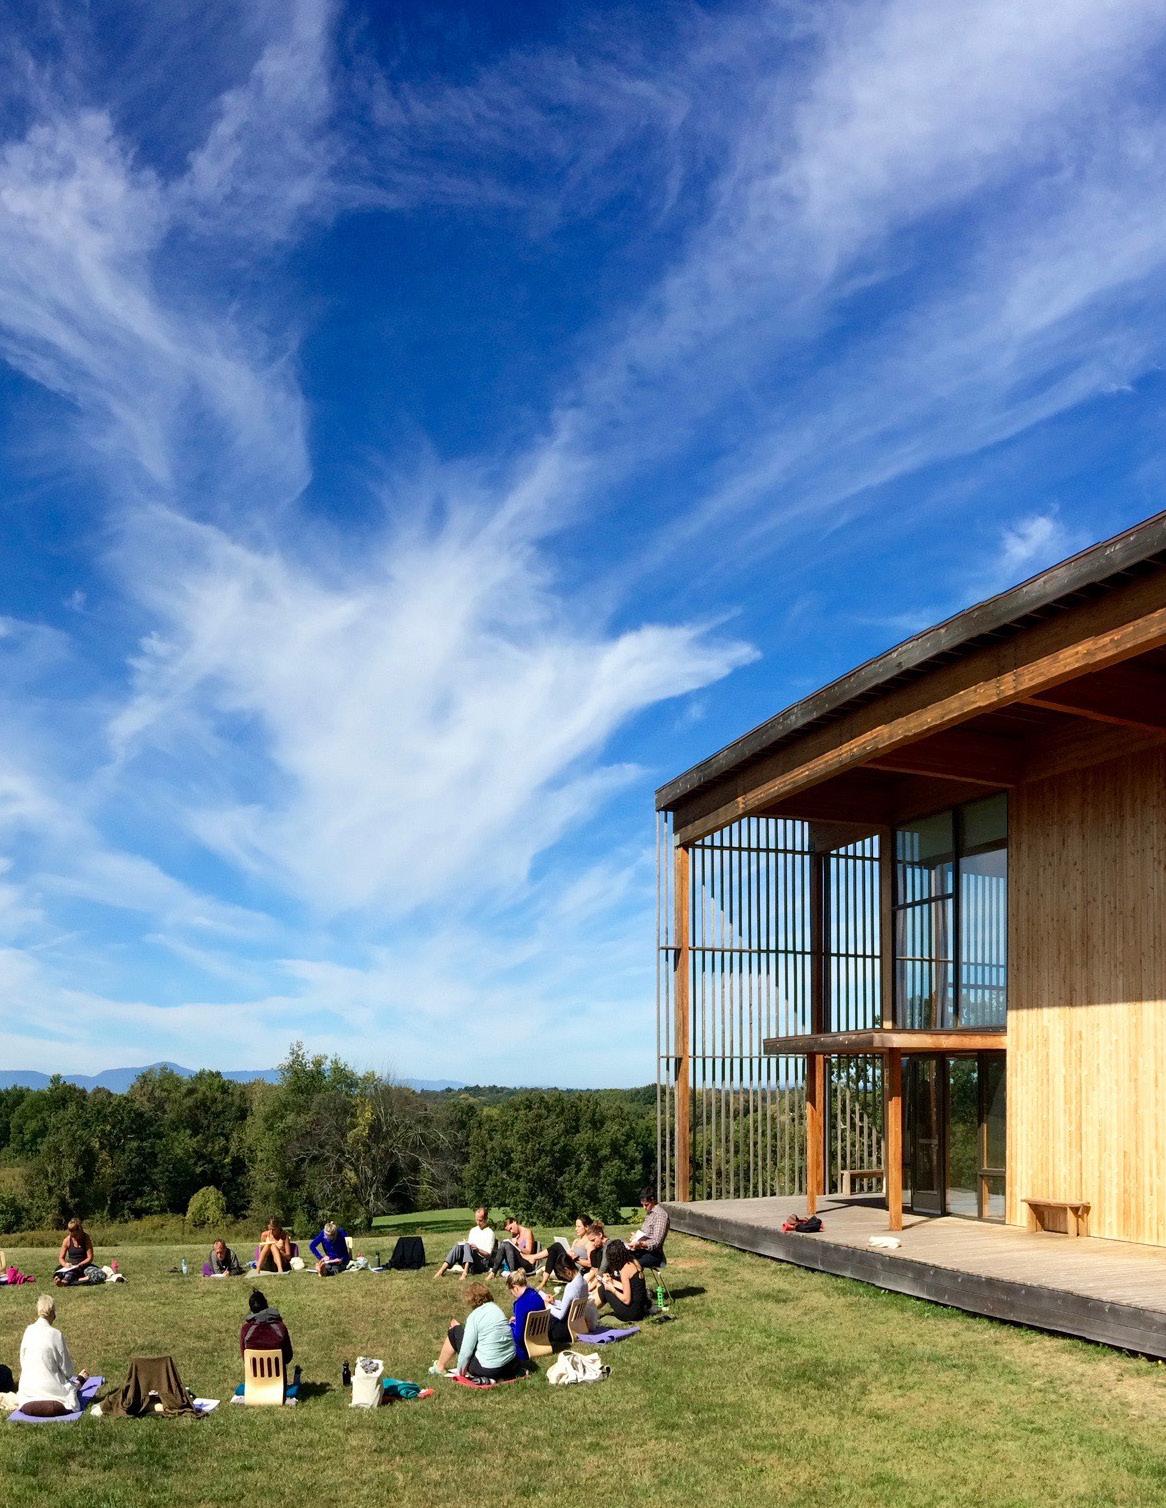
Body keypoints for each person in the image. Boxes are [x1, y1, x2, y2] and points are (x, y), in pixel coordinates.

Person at [0, 1295, 87, 1416]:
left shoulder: (28, 1331)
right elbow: (68, 1372)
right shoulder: (56, 1334)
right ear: (53, 1313)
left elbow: (23, 1362)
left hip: (27, 1401)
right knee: (69, 1389)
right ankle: (80, 1381)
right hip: (56, 1402)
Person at [429, 1282, 523, 1381]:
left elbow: (466, 1351)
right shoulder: (497, 1309)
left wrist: (461, 1373)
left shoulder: (474, 1316)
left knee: (455, 1331)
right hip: (511, 1365)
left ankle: (439, 1367)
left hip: (489, 1369)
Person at [237, 1289, 299, 1400]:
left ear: (251, 1309)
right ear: (266, 1304)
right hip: (279, 1386)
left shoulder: (246, 1330)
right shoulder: (280, 1327)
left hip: (254, 1385)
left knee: (240, 1389)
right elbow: (288, 1357)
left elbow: (245, 1358)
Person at [595, 1239, 651, 1321]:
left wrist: (612, 1289)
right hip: (640, 1311)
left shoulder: (625, 1270)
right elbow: (631, 1288)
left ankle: (586, 1312)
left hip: (631, 1314)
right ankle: (588, 1309)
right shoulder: (633, 1262)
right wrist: (612, 1281)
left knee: (604, 1290)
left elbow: (626, 1300)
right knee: (606, 1285)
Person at [434, 1206, 496, 1279]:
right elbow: (468, 1248)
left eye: (480, 1220)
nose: (478, 1223)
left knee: (467, 1245)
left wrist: (477, 1249)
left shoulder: (490, 1233)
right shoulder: (473, 1230)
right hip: (470, 1260)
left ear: (486, 1219)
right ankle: (441, 1270)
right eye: (476, 1220)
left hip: (481, 1262)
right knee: (458, 1246)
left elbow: (488, 1255)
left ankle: (465, 1272)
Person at [545, 1253, 589, 1348]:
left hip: (565, 1330)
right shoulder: (584, 1282)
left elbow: (561, 1315)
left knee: (545, 1322)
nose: (563, 1277)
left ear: (567, 1270)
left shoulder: (571, 1287)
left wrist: (547, 1306)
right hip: (578, 1324)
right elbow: (570, 1305)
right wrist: (554, 1302)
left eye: (562, 1274)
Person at [506, 1269, 546, 1365]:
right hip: (540, 1335)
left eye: (511, 1291)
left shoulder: (520, 1304)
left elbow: (519, 1337)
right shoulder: (536, 1295)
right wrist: (518, 1319)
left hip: (525, 1344)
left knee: (507, 1329)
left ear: (515, 1287)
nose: (513, 1295)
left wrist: (510, 1326)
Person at [629, 1188, 669, 1269]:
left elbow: (656, 1242)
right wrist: (636, 1236)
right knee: (620, 1255)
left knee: (630, 1264)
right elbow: (647, 1234)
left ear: (653, 1200)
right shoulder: (650, 1214)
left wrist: (640, 1244)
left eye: (646, 1205)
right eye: (642, 1205)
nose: (644, 1207)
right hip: (642, 1250)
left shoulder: (660, 1215)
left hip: (654, 1255)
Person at [54, 1217, 99, 1286]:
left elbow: (90, 1258)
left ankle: (72, 1281)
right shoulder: (67, 1240)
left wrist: (80, 1264)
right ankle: (64, 1280)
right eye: (72, 1235)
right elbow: (61, 1258)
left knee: (98, 1274)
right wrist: (65, 1264)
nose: (73, 1237)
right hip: (71, 1266)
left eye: (75, 1235)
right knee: (61, 1271)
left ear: (80, 1231)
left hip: (84, 1266)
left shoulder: (86, 1238)